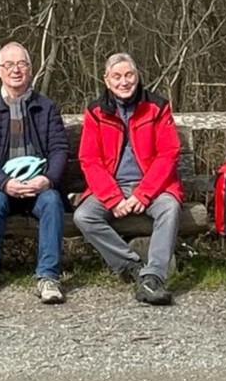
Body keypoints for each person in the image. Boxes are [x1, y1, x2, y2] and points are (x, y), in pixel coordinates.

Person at [75, 54, 182, 306]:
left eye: (129, 75)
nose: (124, 82)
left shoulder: (157, 106)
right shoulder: (95, 111)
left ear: (137, 76)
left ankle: (154, 276)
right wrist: (113, 198)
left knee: (170, 208)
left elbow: (169, 153)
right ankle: (133, 267)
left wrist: (143, 194)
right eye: (117, 76)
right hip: (112, 187)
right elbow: (89, 159)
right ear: (107, 80)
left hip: (152, 186)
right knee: (83, 216)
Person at [0, 42, 69, 304]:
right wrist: (4, 183)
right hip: (2, 186)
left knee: (52, 202)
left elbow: (59, 150)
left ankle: (48, 276)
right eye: (9, 65)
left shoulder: (46, 108)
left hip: (38, 185)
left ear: (30, 69)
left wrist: (47, 180)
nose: (16, 70)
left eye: (22, 64)